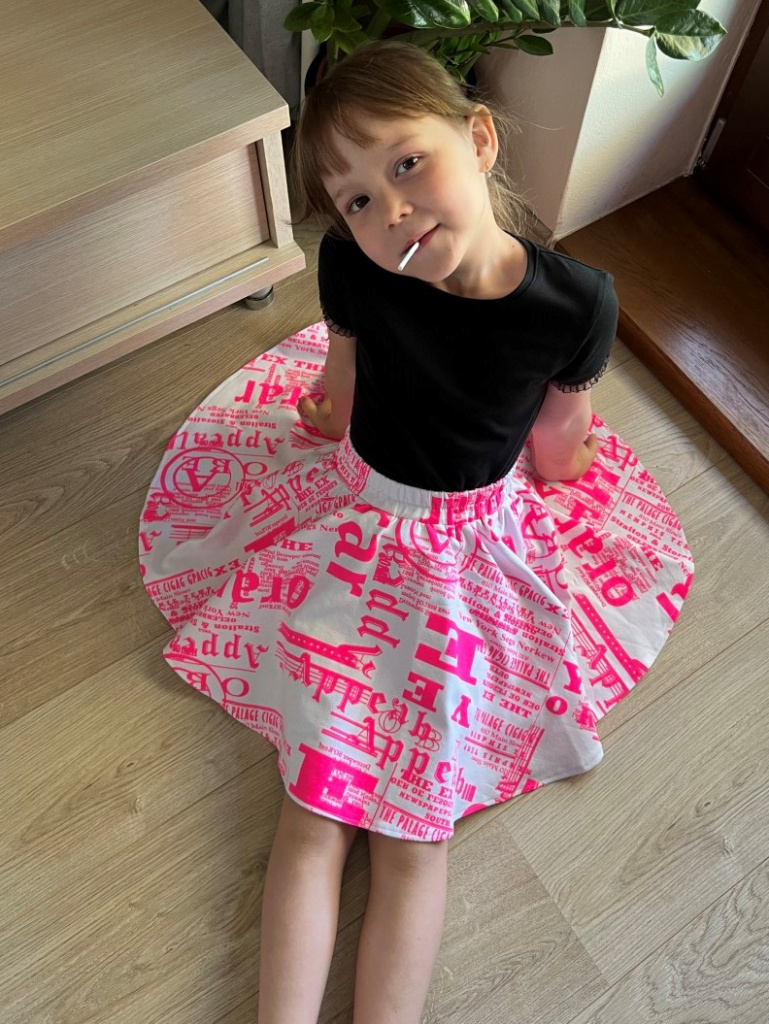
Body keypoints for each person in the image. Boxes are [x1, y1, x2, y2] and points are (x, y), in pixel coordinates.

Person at [139, 39, 693, 1024]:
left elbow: (336, 397)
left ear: (478, 138)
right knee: (405, 832)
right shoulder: (580, 301)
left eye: (406, 164)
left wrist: (318, 416)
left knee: (320, 812)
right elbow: (559, 451)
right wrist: (564, 463)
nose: (390, 211)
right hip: (465, 570)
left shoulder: (351, 268)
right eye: (357, 198)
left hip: (348, 542)